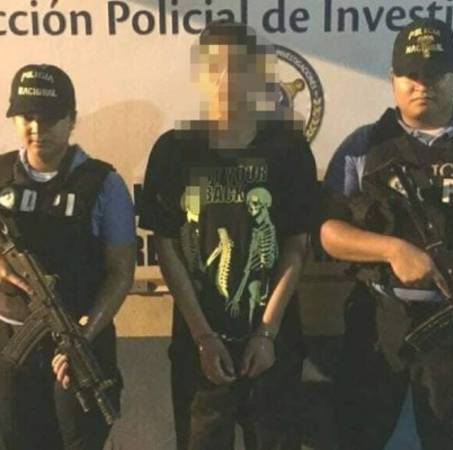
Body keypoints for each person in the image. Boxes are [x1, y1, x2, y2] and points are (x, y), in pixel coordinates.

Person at [319, 18, 453, 450]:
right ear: (392, 78)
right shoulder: (363, 146)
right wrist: (392, 249)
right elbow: (328, 232)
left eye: (435, 73)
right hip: (378, 319)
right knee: (356, 436)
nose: (422, 84)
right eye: (410, 74)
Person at [0, 64, 137, 450]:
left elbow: (121, 272)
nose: (36, 128)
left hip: (77, 344)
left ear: (72, 120)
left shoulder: (103, 183)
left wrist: (82, 336)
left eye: (49, 118)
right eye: (27, 117)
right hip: (8, 346)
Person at [139, 21, 317, 450]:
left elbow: (296, 248)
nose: (225, 80)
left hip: (273, 347)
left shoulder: (289, 150)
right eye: (214, 68)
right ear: (200, 75)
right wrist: (203, 336)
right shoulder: (173, 150)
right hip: (200, 349)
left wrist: (267, 333)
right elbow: (167, 247)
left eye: (237, 68)